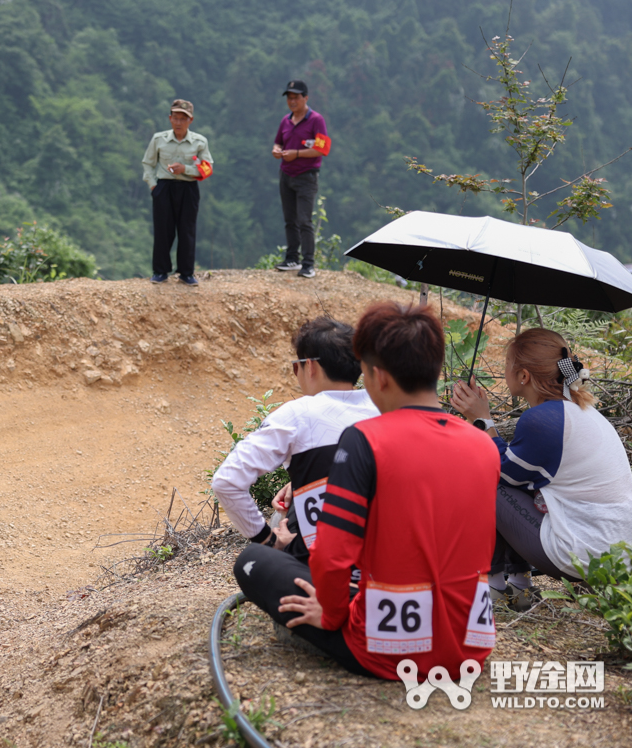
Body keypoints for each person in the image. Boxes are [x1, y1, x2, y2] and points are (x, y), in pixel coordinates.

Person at [234, 302, 499, 680]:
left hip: (386, 652)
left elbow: (332, 553)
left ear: (378, 376)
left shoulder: (366, 440)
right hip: (468, 648)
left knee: (251, 562)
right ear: (435, 371)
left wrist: (331, 613)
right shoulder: (483, 446)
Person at [451, 329, 632, 611]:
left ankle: (495, 588)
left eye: (507, 364)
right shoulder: (580, 412)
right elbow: (522, 475)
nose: (504, 370)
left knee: (484, 475)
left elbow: (499, 470)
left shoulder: (544, 419)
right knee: (515, 483)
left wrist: (482, 420)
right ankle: (519, 585)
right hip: (615, 555)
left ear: (523, 376)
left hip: (583, 553)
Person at [211, 318, 379, 563]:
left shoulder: (295, 415)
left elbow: (226, 481)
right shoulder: (382, 404)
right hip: (388, 555)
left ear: (310, 366)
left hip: (327, 563)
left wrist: (269, 540)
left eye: (296, 365)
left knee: (250, 562)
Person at [141, 99, 213, 286]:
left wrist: (186, 170)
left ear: (191, 120)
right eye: (176, 117)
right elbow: (148, 163)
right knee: (163, 230)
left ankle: (186, 273)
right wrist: (153, 185)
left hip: (188, 188)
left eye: (183, 118)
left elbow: (207, 168)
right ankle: (160, 271)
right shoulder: (159, 139)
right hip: (164, 187)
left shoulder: (199, 142)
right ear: (170, 118)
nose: (179, 122)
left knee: (187, 230)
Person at [271, 81, 330, 279]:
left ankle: (308, 264)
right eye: (289, 97)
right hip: (286, 174)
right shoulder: (285, 121)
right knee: (290, 219)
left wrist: (296, 154)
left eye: (296, 97)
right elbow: (278, 141)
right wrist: (277, 150)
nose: (292, 101)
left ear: (306, 98)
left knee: (305, 220)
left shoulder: (316, 120)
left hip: (307, 176)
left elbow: (323, 149)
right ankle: (291, 258)